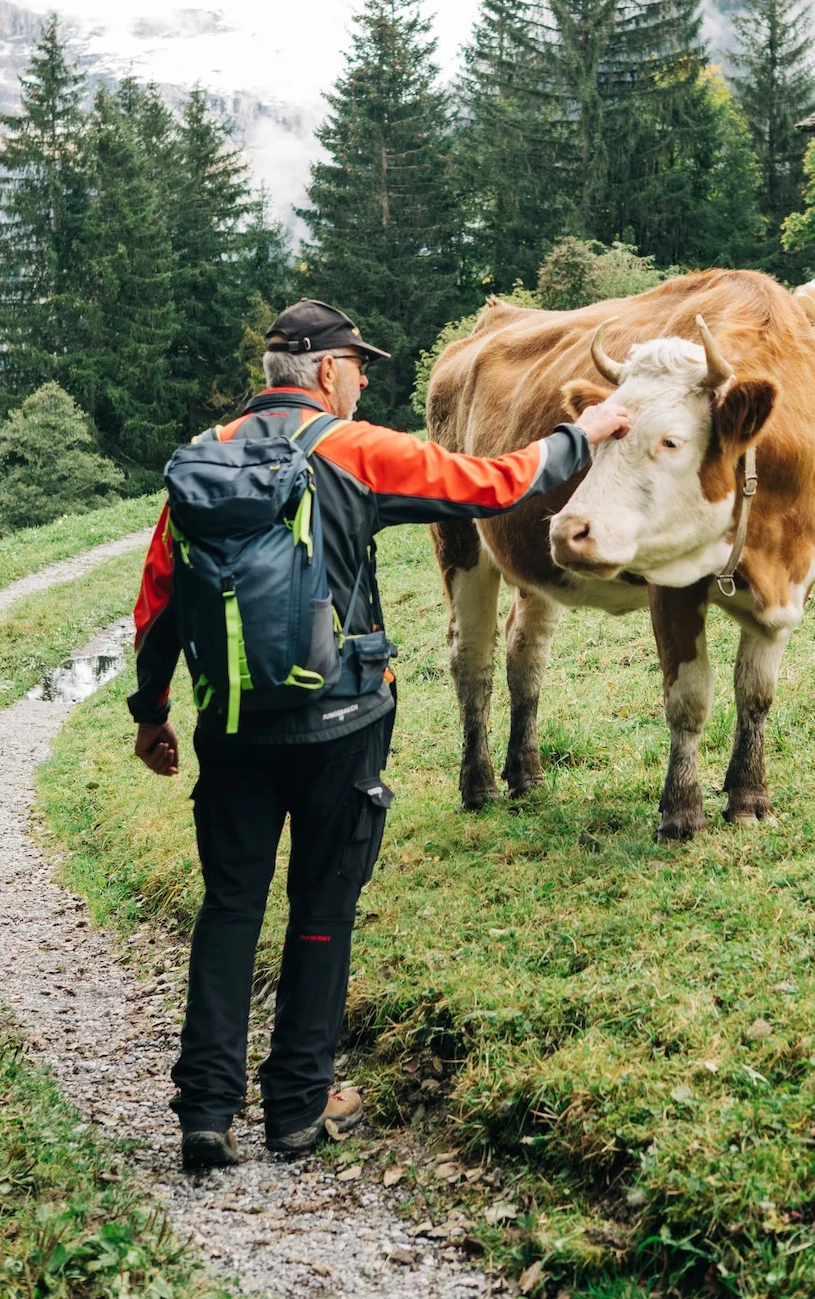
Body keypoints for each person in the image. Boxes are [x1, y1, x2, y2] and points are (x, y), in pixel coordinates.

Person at [127, 299, 629, 1171]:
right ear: (325, 371)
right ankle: (293, 1112)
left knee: (230, 908)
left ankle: (205, 1113)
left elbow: (161, 600)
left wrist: (152, 714)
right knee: (322, 912)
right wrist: (586, 434)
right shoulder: (355, 451)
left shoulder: (203, 458)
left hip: (233, 727)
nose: (363, 379)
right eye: (357, 365)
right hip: (341, 722)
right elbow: (493, 482)